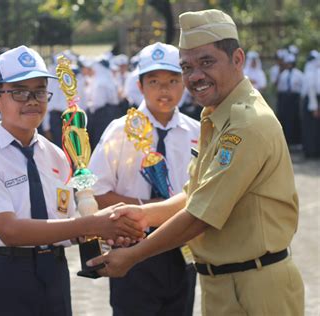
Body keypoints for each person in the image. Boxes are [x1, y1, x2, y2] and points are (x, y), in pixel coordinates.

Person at [88, 9, 305, 315]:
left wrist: (134, 255)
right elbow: (194, 194)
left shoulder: (245, 122)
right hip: (222, 283)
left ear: (238, 59)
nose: (195, 76)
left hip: (256, 286)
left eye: (206, 62)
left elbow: (200, 214)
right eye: (187, 66)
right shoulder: (215, 117)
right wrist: (141, 214)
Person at [0, 45, 146, 316]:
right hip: (5, 274)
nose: (32, 100)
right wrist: (93, 223)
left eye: (38, 91)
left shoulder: (56, 155)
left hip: (53, 272)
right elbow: (10, 230)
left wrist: (107, 229)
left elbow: (66, 224)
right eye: (20, 92)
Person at [88, 42, 199, 316]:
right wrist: (149, 207)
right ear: (140, 86)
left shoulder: (196, 132)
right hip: (132, 247)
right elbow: (95, 191)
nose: (165, 90)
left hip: (181, 245)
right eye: (154, 81)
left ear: (184, 83)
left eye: (173, 80)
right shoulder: (120, 131)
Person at [276, 53, 303, 147]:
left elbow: (301, 87)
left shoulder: (299, 74)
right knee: (285, 119)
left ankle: (295, 141)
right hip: (285, 98)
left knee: (294, 118)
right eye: (288, 63)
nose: (289, 65)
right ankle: (287, 140)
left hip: (294, 98)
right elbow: (280, 87)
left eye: (291, 63)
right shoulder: (284, 74)